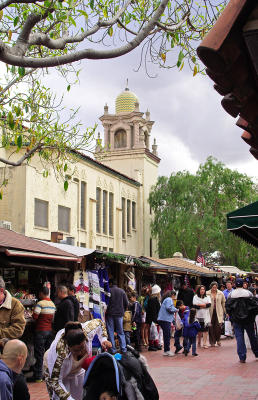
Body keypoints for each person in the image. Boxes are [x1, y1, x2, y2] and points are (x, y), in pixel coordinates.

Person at [45, 320, 112, 400]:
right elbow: (55, 382)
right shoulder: (59, 355)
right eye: (76, 350)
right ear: (68, 346)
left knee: (79, 396)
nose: (80, 352)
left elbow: (99, 323)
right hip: (59, 374)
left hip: (78, 369)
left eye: (82, 347)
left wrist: (103, 339)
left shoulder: (88, 330)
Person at [226, 278, 258, 363]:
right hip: (248, 320)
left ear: (235, 284)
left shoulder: (231, 294)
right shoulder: (248, 293)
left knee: (239, 338)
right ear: (243, 284)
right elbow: (255, 306)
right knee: (252, 336)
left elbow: (228, 308)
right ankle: (257, 352)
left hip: (237, 320)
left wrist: (232, 318)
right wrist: (252, 316)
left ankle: (242, 357)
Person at [32, 286, 56, 382]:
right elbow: (53, 319)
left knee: (39, 354)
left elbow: (35, 316)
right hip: (49, 331)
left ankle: (38, 376)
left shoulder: (40, 303)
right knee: (48, 354)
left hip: (40, 331)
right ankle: (48, 375)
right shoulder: (52, 304)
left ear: (42, 293)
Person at [105, 279, 128, 354]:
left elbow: (105, 302)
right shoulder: (122, 291)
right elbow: (126, 303)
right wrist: (123, 310)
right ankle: (123, 349)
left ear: (110, 284)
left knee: (110, 331)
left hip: (110, 313)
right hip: (119, 314)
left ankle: (113, 349)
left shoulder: (109, 291)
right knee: (120, 332)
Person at [157, 290, 177, 357]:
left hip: (163, 319)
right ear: (172, 295)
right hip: (165, 319)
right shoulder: (169, 299)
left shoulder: (166, 299)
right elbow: (169, 308)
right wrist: (176, 310)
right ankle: (167, 350)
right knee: (167, 335)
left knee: (166, 335)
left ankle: (166, 350)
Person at [206, 282, 226, 347]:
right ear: (211, 287)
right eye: (213, 287)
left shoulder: (220, 293)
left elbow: (223, 303)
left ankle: (218, 340)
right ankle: (212, 341)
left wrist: (226, 312)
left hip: (218, 312)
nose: (214, 289)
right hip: (210, 312)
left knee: (218, 327)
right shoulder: (207, 293)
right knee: (210, 327)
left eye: (215, 287)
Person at [145, 284, 161, 351]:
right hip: (153, 319)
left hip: (153, 319)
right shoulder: (153, 299)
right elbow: (153, 311)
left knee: (155, 332)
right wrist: (155, 320)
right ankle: (151, 345)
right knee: (152, 332)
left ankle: (155, 344)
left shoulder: (154, 299)